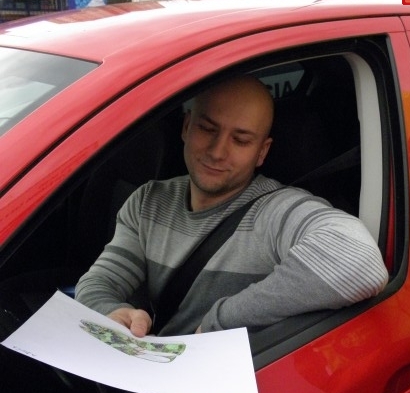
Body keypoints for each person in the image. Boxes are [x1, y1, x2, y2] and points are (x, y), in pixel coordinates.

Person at [75, 75, 388, 337]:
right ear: (186, 127)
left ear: (262, 152)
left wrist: (221, 321)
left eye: (240, 140)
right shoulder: (147, 202)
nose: (217, 151)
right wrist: (113, 312)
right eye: (207, 129)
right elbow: (97, 283)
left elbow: (359, 264)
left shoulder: (277, 212)